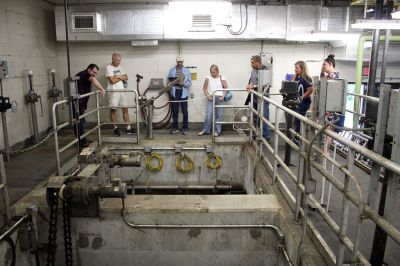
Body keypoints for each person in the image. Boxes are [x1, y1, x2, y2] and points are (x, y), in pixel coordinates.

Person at [74, 64, 105, 147]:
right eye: (94, 72)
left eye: (96, 73)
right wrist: (101, 89)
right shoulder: (84, 74)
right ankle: (82, 141)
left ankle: (82, 140)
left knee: (81, 120)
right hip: (77, 102)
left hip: (80, 102)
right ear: (88, 69)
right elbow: (93, 79)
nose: (94, 74)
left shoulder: (85, 75)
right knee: (80, 121)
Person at [106, 52, 134, 136]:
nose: (119, 62)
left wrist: (117, 77)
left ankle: (128, 128)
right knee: (113, 110)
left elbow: (126, 77)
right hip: (113, 91)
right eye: (117, 60)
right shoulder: (108, 68)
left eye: (119, 60)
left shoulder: (120, 67)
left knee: (125, 109)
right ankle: (115, 128)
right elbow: (112, 81)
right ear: (113, 59)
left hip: (122, 91)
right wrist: (120, 77)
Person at [246, 55, 271, 143]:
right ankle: (257, 134)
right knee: (256, 116)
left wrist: (254, 86)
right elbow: (252, 80)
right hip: (255, 97)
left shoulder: (265, 70)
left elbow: (266, 85)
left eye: (252, 62)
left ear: (258, 62)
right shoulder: (253, 70)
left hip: (263, 98)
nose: (251, 64)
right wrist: (249, 86)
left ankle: (267, 136)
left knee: (264, 117)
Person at [198, 65, 228, 137]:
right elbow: (205, 88)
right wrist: (208, 96)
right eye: (211, 72)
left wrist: (223, 96)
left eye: (213, 72)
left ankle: (217, 131)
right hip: (211, 98)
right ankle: (206, 130)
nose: (212, 74)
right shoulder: (208, 78)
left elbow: (226, 88)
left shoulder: (222, 78)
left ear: (217, 71)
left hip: (220, 98)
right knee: (208, 115)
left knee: (219, 116)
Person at [167, 56, 192, 135]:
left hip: (183, 93)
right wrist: (171, 83)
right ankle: (175, 128)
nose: (180, 63)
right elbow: (168, 81)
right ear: (176, 62)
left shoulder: (187, 71)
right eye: (178, 62)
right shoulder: (171, 70)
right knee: (175, 111)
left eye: (181, 62)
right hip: (175, 93)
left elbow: (189, 83)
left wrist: (183, 83)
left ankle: (185, 128)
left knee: (185, 111)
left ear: (183, 62)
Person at [320, 54, 345, 130]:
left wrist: (328, 110)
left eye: (324, 64)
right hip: (327, 107)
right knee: (326, 128)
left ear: (330, 64)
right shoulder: (328, 76)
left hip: (330, 108)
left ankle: (328, 142)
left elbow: (331, 95)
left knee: (329, 129)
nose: (323, 67)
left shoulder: (333, 77)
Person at [293, 61, 313, 133]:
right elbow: (291, 84)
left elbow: (310, 90)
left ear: (302, 69)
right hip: (298, 102)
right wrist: (295, 75)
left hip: (304, 103)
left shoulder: (306, 78)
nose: (295, 69)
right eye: (295, 68)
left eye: (297, 68)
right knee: (296, 120)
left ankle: (298, 138)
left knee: (298, 121)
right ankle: (297, 136)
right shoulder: (298, 78)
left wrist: (301, 98)